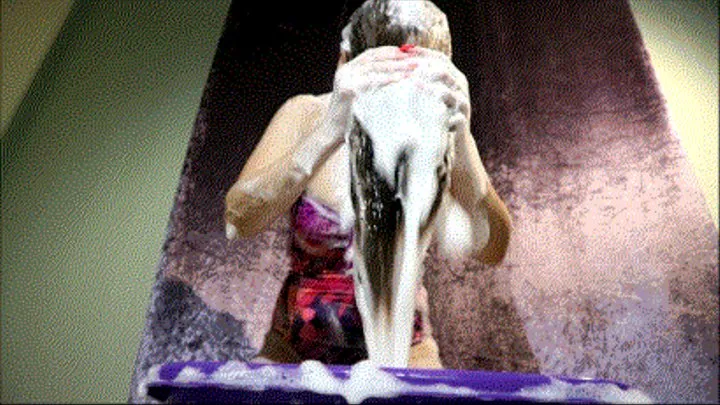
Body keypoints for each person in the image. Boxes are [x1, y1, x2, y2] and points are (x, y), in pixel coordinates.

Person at [224, 0, 511, 368]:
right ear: (346, 62)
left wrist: (464, 143)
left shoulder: (433, 131)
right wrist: (329, 129)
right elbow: (238, 220)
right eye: (386, 71)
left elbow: (494, 249)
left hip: (406, 355)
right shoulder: (305, 114)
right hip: (294, 355)